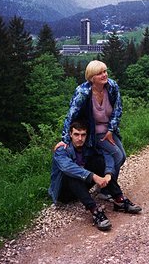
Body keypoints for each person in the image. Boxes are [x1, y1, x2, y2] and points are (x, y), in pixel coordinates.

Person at [49, 120, 142, 231]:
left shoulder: (88, 146)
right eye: (76, 135)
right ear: (70, 134)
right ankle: (95, 211)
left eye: (83, 135)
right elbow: (67, 167)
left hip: (81, 186)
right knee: (71, 174)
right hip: (64, 193)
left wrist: (108, 173)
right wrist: (94, 177)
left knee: (99, 161)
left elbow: (107, 156)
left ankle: (119, 199)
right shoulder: (61, 150)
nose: (80, 138)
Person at [57, 60, 126, 200]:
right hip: (94, 132)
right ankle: (107, 190)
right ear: (91, 77)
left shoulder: (112, 87)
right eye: (99, 73)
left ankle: (106, 186)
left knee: (121, 156)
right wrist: (65, 139)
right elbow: (71, 115)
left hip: (109, 130)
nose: (104, 75)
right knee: (117, 156)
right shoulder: (83, 92)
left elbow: (118, 109)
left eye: (105, 71)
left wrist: (111, 130)